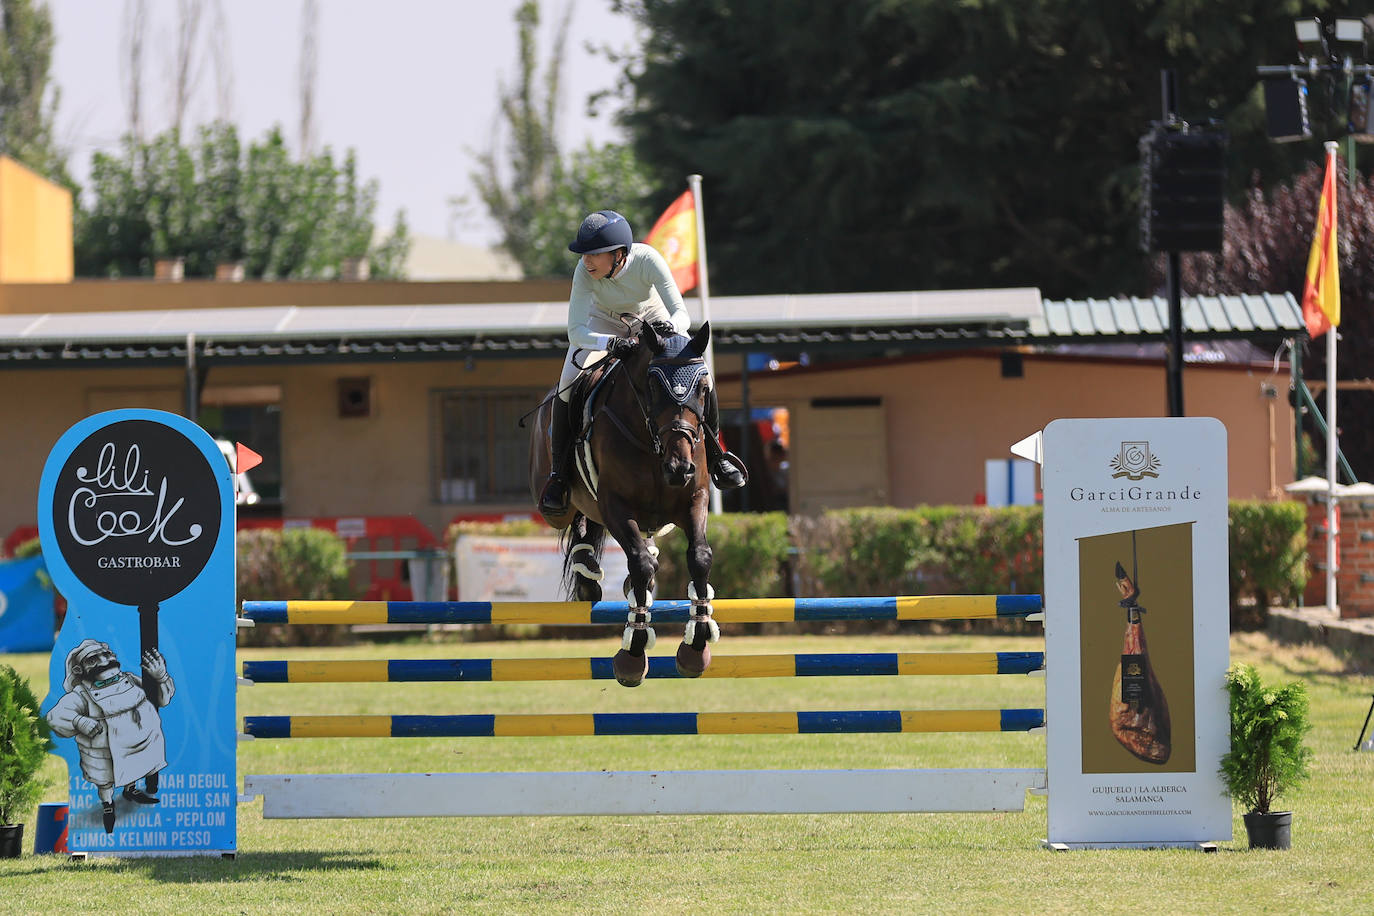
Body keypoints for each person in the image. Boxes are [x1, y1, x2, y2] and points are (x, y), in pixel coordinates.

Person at [539, 209, 747, 517]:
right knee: (568, 383)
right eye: (584, 254)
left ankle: (717, 455)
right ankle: (558, 475)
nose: (586, 261)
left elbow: (680, 313)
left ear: (619, 254)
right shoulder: (584, 273)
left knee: (702, 373)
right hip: (604, 325)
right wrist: (610, 344)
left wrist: (670, 329)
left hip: (652, 318)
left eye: (594, 255)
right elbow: (576, 331)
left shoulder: (648, 260)